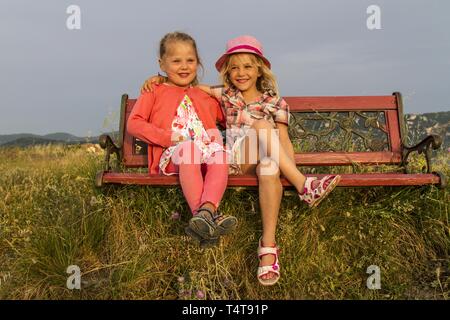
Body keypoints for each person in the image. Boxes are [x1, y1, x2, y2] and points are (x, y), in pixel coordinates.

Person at [142, 35, 340, 286]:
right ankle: (305, 186)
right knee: (261, 124)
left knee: (269, 165)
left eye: (247, 66)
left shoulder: (276, 103)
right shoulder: (226, 95)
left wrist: (284, 168)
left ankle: (268, 248)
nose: (240, 72)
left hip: (263, 159)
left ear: (260, 69)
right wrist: (158, 78)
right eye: (234, 67)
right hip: (235, 160)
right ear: (227, 71)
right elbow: (188, 87)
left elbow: (284, 140)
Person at [127, 32, 237, 249]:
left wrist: (217, 92)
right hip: (173, 154)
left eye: (190, 60)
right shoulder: (154, 90)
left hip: (205, 153)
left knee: (220, 154)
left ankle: (205, 212)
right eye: (176, 61)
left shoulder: (201, 94)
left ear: (198, 62)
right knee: (189, 149)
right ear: (162, 63)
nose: (184, 66)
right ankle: (205, 217)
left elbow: (229, 116)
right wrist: (167, 137)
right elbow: (134, 123)